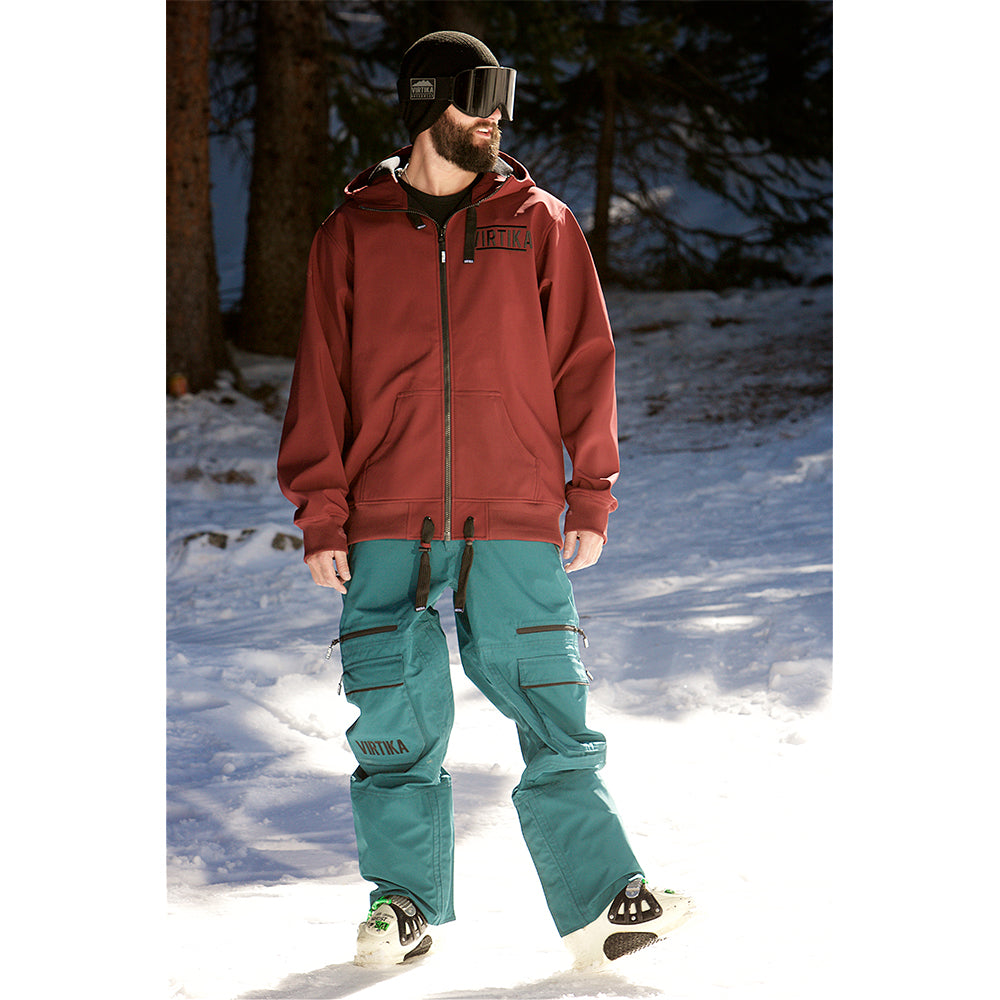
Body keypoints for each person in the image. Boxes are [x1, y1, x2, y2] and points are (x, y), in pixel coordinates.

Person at [277, 30, 691, 971]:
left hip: (513, 509)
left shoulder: (538, 222)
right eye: (475, 100)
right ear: (428, 106)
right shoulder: (351, 233)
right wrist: (321, 511)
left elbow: (585, 361)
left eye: (499, 99)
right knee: (393, 712)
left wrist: (591, 490)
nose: (494, 118)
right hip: (387, 512)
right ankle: (403, 904)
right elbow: (320, 382)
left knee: (553, 700)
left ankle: (605, 902)